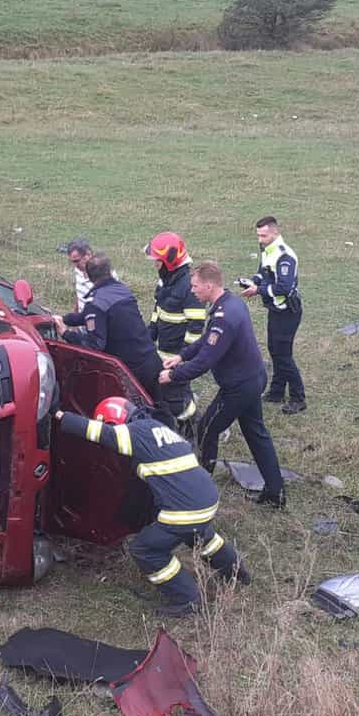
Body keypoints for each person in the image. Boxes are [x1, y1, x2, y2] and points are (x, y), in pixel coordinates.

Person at [54, 396, 248, 615]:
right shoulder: (158, 428)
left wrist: (60, 416)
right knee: (201, 536)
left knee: (145, 549)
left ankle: (187, 600)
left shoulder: (135, 432)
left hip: (185, 509)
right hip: (207, 498)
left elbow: (100, 433)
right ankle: (236, 572)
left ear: (113, 421)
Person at [159, 260, 286, 507]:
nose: (192, 290)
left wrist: (174, 375)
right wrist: (181, 356)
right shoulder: (229, 302)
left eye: (195, 286)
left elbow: (206, 359)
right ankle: (275, 492)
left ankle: (201, 488)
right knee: (256, 433)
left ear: (209, 285)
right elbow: (207, 341)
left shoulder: (223, 317)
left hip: (239, 387)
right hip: (253, 378)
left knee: (207, 430)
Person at [61, 255, 164, 411]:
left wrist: (66, 334)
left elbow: (94, 345)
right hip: (151, 359)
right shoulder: (122, 290)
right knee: (161, 407)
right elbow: (89, 316)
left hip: (131, 371)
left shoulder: (96, 304)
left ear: (88, 276)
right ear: (109, 271)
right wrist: (64, 319)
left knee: (140, 414)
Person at [145, 231, 207, 434]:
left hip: (177, 354)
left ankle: (191, 426)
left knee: (176, 396)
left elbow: (196, 326)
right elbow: (158, 309)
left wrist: (183, 357)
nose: (155, 266)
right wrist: (151, 331)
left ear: (169, 262)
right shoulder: (166, 281)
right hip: (164, 350)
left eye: (158, 261)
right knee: (169, 391)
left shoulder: (188, 287)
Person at [243, 215, 305, 414]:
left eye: (264, 235)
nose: (260, 239)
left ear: (275, 233)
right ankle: (277, 392)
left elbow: (284, 287)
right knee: (274, 350)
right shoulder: (268, 250)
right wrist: (253, 281)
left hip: (287, 312)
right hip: (276, 310)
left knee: (283, 355)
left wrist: (258, 290)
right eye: (259, 235)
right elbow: (263, 272)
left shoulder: (284, 255)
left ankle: (298, 397)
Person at [60, 238, 99, 312]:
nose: (75, 265)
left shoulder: (104, 275)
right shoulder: (78, 270)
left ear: (88, 255)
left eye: (77, 261)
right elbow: (80, 296)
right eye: (73, 262)